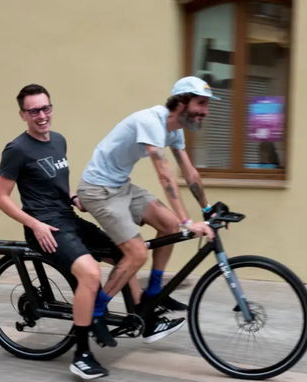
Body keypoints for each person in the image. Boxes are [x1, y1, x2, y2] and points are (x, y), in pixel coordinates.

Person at [0, 84, 177, 380]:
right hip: (46, 227)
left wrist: (74, 198)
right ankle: (81, 355)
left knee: (127, 254)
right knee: (90, 274)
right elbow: (0, 197)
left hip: (69, 218)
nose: (42, 115)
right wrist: (35, 223)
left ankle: (144, 318)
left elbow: (56, 183)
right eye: (34, 111)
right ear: (22, 115)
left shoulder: (58, 141)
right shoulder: (17, 150)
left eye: (46, 108)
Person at [77, 76, 218, 345]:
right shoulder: (151, 121)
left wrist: (208, 209)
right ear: (182, 102)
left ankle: (153, 294)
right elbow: (165, 176)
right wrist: (189, 220)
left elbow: (189, 172)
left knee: (169, 224)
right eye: (201, 103)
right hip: (98, 190)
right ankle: (95, 312)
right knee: (138, 252)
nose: (205, 111)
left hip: (121, 187)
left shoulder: (175, 130)